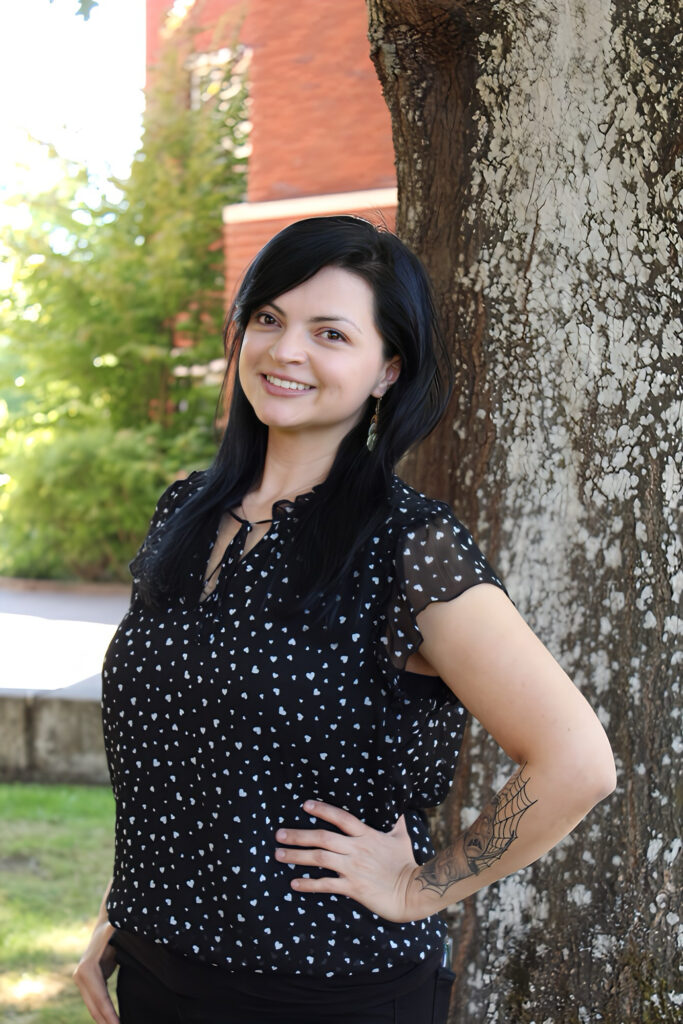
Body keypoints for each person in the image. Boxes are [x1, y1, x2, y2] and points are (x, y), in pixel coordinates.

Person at [73, 216, 616, 1024]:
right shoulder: (184, 511)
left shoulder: (407, 546)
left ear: (387, 370)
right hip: (157, 970)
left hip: (324, 990)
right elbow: (178, 751)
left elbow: (576, 763)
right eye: (268, 318)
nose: (285, 350)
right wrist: (122, 906)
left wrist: (418, 886)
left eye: (329, 333)